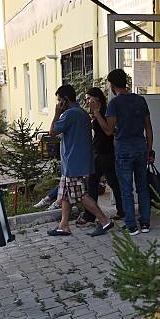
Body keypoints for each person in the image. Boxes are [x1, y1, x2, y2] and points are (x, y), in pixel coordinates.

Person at [91, 69, 154, 236]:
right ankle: (146, 223)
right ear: (125, 82)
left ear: (112, 85)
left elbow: (108, 131)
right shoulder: (140, 100)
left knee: (126, 189)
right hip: (140, 148)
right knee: (142, 187)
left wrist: (97, 112)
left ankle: (132, 226)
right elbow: (148, 128)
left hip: (123, 151)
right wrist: (149, 149)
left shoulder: (114, 104)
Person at [47, 85, 113, 237]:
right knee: (64, 193)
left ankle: (104, 220)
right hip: (77, 161)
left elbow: (52, 132)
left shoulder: (69, 114)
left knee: (79, 195)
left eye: (59, 101)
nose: (58, 104)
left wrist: (57, 113)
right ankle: (63, 225)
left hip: (73, 163)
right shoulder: (82, 113)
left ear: (65, 100)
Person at [76, 87, 124, 227]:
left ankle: (90, 215)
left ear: (96, 98)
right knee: (113, 183)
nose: (87, 101)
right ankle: (122, 210)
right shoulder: (100, 113)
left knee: (93, 184)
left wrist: (96, 112)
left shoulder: (104, 112)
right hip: (101, 152)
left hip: (104, 154)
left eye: (88, 98)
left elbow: (109, 131)